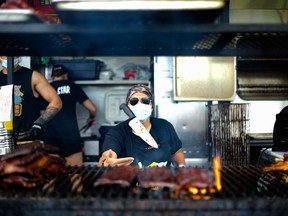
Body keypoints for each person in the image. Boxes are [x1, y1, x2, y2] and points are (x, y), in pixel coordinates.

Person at [99, 84, 185, 168]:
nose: (139, 105)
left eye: (145, 101)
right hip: (131, 181)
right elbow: (107, 156)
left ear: (151, 106)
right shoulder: (117, 133)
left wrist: (181, 167)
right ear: (128, 107)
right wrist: (108, 160)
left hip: (163, 181)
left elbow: (176, 152)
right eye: (134, 101)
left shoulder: (165, 126)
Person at [42, 64, 97, 166]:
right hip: (70, 135)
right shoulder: (73, 86)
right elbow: (93, 108)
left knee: (51, 176)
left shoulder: (46, 89)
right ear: (66, 75)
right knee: (75, 174)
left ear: (52, 77)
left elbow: (42, 114)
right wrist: (91, 118)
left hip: (50, 135)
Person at [0, 56, 62, 140]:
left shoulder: (33, 77)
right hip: (3, 141)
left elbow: (56, 101)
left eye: (14, 54)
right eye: (4, 54)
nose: (9, 57)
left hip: (28, 139)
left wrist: (39, 123)